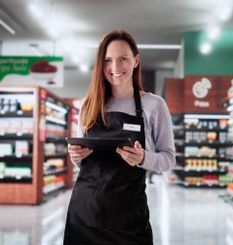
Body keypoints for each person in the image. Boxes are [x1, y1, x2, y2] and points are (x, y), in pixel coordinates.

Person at [64, 30, 176, 245]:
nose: (115, 67)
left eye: (123, 58)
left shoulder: (153, 105)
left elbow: (168, 159)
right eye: (107, 60)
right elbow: (83, 165)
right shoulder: (89, 104)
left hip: (129, 221)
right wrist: (76, 155)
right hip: (85, 216)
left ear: (136, 60)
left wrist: (142, 158)